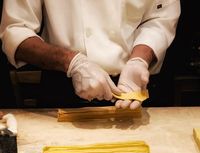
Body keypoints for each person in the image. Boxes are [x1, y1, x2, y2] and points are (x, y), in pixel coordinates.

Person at [0, 1, 180, 109]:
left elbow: (161, 18)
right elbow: (15, 30)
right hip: (63, 89)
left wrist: (139, 60)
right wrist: (72, 62)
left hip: (135, 89)